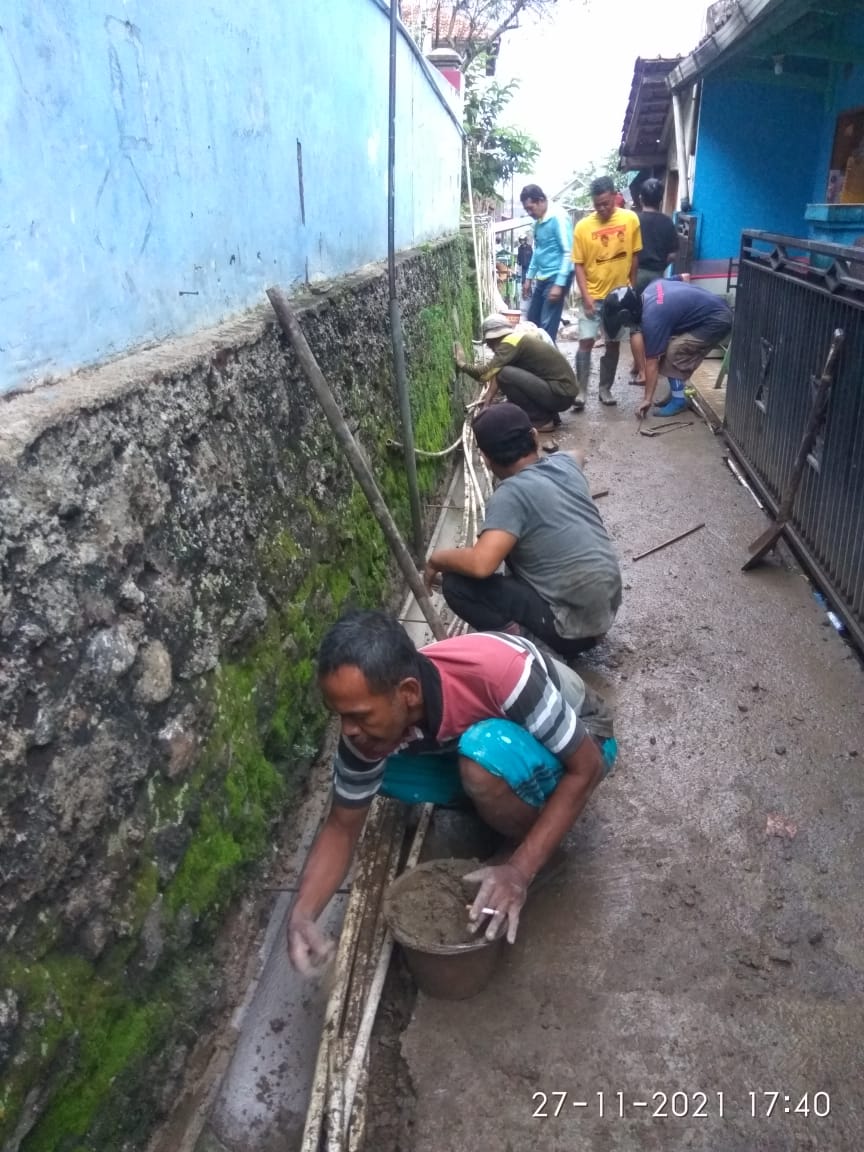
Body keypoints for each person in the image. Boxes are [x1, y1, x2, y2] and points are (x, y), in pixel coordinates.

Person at [286, 610, 617, 971]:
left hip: (586, 737)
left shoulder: (501, 673)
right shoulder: (365, 729)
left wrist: (519, 870)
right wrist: (303, 914)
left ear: (408, 693)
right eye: (341, 716)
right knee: (383, 769)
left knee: (480, 758)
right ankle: (497, 801)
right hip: (491, 744)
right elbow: (341, 825)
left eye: (360, 715)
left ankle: (535, 850)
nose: (348, 730)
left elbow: (587, 767)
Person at [425, 403, 622, 658]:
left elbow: (481, 564)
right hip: (604, 612)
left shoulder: (509, 495)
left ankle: (530, 651)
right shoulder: (565, 464)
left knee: (456, 584)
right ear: (534, 436)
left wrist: (436, 559)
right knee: (513, 548)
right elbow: (579, 454)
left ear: (485, 458)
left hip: (571, 633)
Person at [602, 280, 733, 418]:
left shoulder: (652, 319)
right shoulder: (649, 290)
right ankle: (676, 393)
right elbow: (682, 278)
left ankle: (679, 400)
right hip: (716, 308)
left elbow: (652, 363)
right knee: (664, 347)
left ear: (627, 314)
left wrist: (647, 399)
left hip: (717, 320)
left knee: (674, 351)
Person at [572, 176, 644, 407]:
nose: (602, 208)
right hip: (593, 295)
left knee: (613, 343)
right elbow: (579, 265)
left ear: (615, 196)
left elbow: (634, 256)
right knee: (585, 341)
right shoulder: (583, 227)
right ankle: (580, 391)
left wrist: (631, 289)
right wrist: (586, 297)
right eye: (597, 205)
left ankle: (605, 389)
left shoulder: (630, 219)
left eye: (606, 203)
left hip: (619, 298)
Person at [454, 313, 580, 429]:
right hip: (562, 393)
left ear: (493, 338)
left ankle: (541, 420)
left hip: (561, 394)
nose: (488, 346)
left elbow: (484, 374)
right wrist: (487, 402)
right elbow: (495, 372)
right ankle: (546, 414)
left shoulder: (509, 343)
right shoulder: (515, 340)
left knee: (505, 374)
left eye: (488, 342)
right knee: (503, 372)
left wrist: (462, 364)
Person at [520, 184, 574, 344]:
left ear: (541, 200)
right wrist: (529, 278)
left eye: (531, 208)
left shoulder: (558, 218)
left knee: (546, 328)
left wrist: (559, 284)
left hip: (557, 276)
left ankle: (549, 367)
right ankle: (539, 364)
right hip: (543, 277)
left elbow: (569, 252)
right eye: (526, 210)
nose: (529, 213)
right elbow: (538, 252)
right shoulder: (537, 224)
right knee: (532, 322)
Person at [635, 178, 679, 295]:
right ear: (660, 200)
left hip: (635, 275)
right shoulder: (667, 222)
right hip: (657, 276)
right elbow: (672, 255)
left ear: (640, 198)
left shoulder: (633, 220)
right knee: (654, 306)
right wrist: (661, 266)